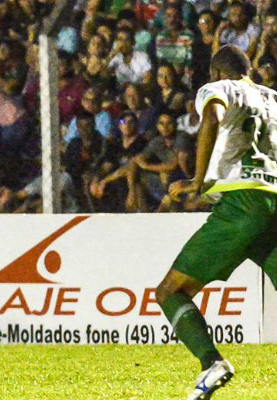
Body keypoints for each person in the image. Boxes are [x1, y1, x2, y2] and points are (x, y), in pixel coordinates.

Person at [157, 45, 277, 400]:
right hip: (273, 198)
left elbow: (211, 117)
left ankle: (211, 363)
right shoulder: (273, 98)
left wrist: (197, 181)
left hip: (243, 202)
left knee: (169, 292)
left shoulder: (219, 89)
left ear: (216, 73)